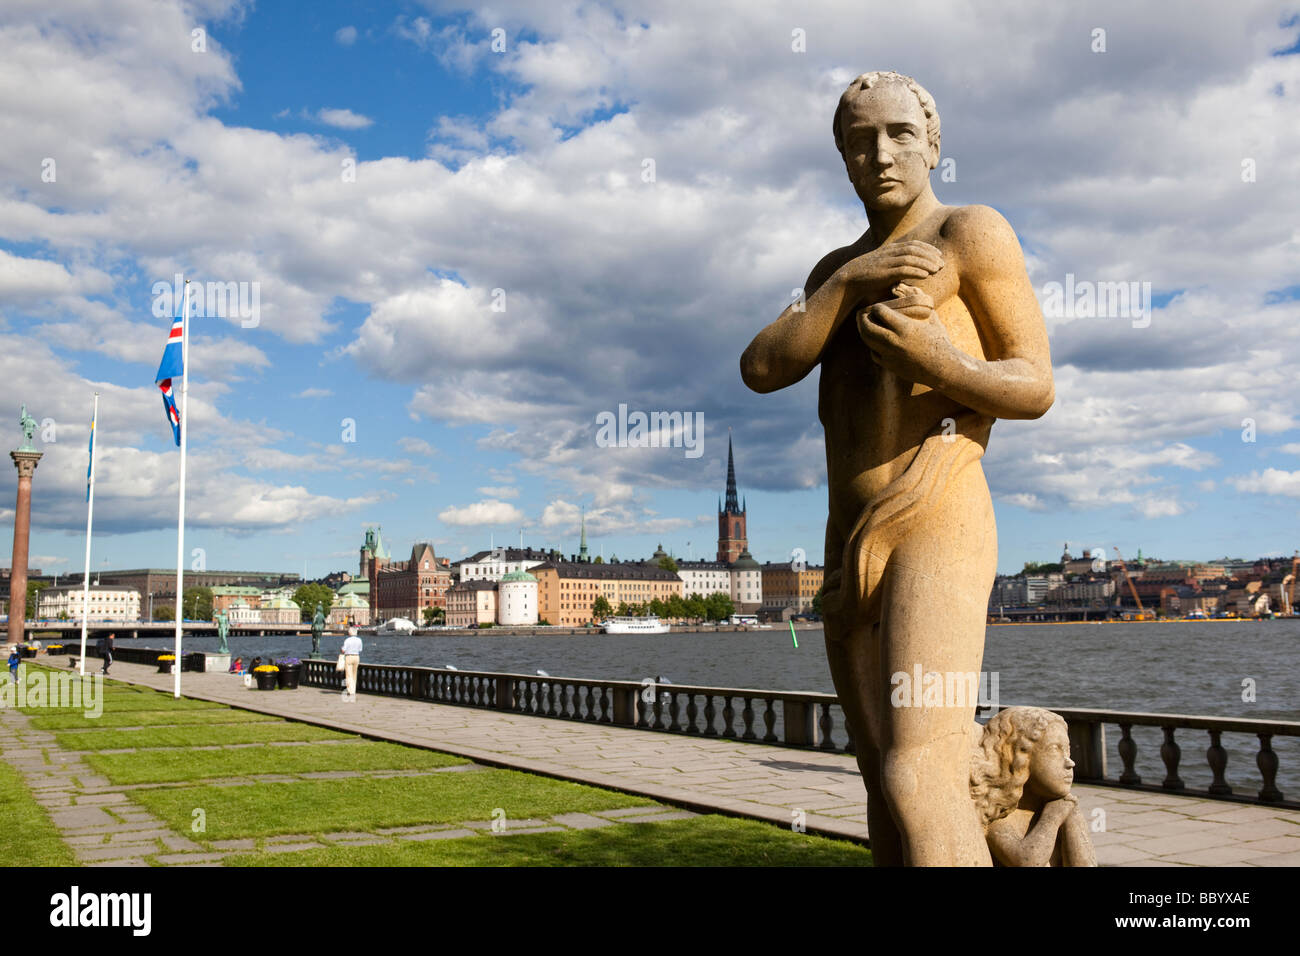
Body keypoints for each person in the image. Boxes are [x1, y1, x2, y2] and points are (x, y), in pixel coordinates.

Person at [740, 72, 1053, 866]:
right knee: (882, 774)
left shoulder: (970, 232)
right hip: (850, 537)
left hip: (937, 509)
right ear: (843, 158)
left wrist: (939, 361)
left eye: (899, 134)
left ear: (933, 143)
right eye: (859, 141)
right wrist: (849, 283)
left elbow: (1035, 383)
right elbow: (762, 367)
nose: (880, 154)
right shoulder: (835, 270)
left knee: (921, 769)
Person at [970, 707, 1097, 867]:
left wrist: (1072, 817)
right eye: (1055, 749)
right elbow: (1026, 862)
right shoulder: (998, 818)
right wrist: (1052, 817)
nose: (1070, 762)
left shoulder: (1063, 806)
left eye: (1068, 750)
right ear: (1019, 757)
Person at [340, 631, 362, 701]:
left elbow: (343, 650)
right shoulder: (359, 640)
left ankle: (350, 691)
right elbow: (360, 649)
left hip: (349, 657)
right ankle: (354, 690)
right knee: (354, 674)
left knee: (349, 675)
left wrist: (341, 649)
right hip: (356, 657)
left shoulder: (347, 640)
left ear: (350, 633)